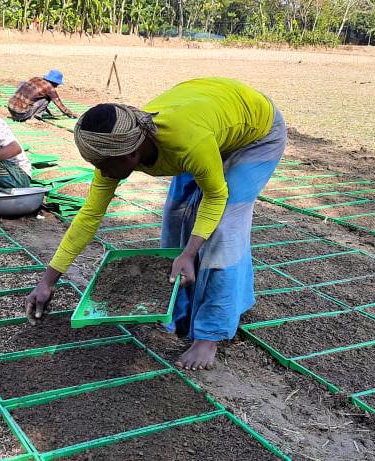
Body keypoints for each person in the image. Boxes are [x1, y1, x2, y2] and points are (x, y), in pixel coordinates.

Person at [25, 78, 286, 371]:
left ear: (133, 154)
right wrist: (48, 281)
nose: (102, 173)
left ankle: (210, 333)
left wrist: (189, 254)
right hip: (209, 119)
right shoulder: (119, 147)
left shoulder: (185, 141)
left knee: (224, 229)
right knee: (177, 215)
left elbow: (215, 196)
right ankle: (179, 310)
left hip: (255, 134)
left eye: (105, 166)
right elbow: (88, 217)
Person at [7, 70, 78, 122]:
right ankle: (34, 118)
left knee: (24, 84)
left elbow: (34, 97)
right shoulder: (50, 89)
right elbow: (60, 105)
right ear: (55, 82)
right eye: (57, 84)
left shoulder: (35, 78)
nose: (57, 86)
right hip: (21, 114)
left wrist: (47, 111)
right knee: (47, 99)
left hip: (11, 108)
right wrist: (71, 115)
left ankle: (26, 113)